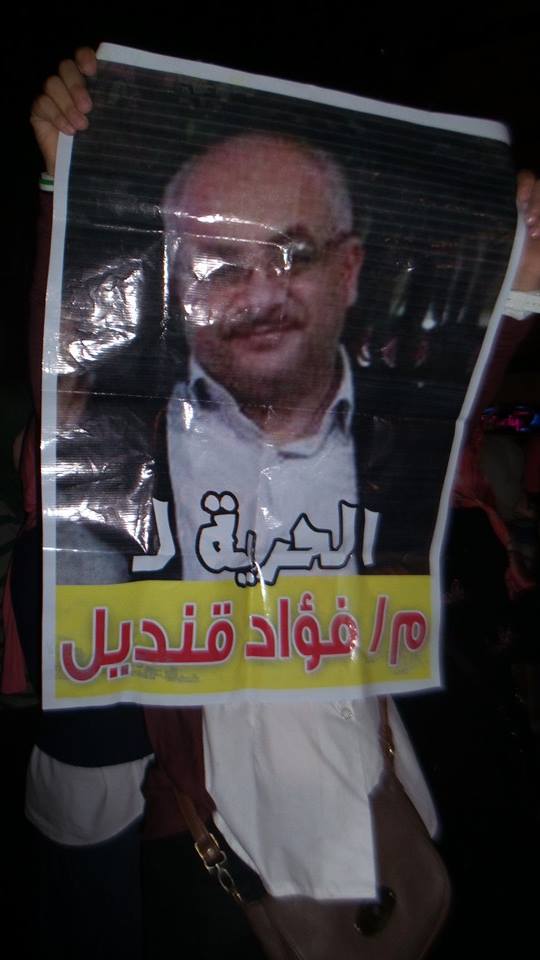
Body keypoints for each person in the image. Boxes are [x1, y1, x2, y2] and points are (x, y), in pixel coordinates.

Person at [10, 46, 540, 959]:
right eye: (221, 263)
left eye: (292, 253)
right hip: (205, 856)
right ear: (179, 284)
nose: (259, 294)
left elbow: (455, 404)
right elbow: (67, 393)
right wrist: (71, 188)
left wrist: (523, 274)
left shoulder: (391, 440)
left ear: (349, 268)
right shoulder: (132, 438)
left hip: (377, 813)